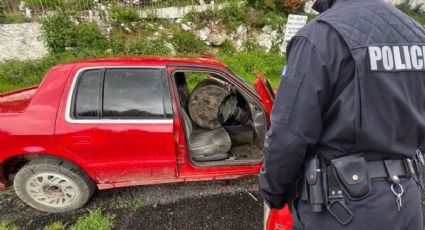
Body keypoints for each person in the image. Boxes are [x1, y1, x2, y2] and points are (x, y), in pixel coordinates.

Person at [259, 0, 425, 229]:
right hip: (405, 204)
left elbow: (288, 136)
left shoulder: (320, 37)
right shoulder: (417, 35)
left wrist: (272, 191)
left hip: (341, 210)